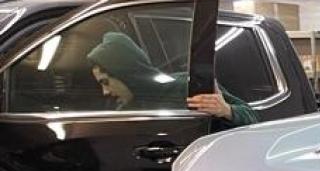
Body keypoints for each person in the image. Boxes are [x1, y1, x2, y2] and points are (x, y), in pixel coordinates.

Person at [86, 31, 257, 126]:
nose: (105, 92)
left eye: (106, 82)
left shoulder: (184, 86)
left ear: (125, 73)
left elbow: (252, 118)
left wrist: (227, 111)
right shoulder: (126, 109)